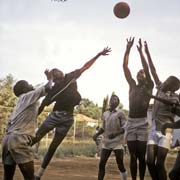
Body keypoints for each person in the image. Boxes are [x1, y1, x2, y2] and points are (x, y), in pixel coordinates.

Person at [31, 47, 111, 180]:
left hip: (68, 118)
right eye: (55, 71)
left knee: (53, 147)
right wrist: (31, 120)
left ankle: (39, 174)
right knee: (36, 138)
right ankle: (16, 151)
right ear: (54, 77)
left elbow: (85, 66)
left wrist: (98, 54)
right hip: (55, 116)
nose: (58, 70)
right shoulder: (54, 89)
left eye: (57, 69)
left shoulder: (70, 76)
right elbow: (43, 105)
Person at [2, 70, 53, 180]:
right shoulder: (28, 95)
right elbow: (48, 87)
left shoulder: (21, 102)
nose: (31, 85)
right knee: (30, 177)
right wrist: (50, 78)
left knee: (7, 177)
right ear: (24, 89)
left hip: (7, 140)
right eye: (28, 84)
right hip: (19, 139)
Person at [144, 40, 180, 180]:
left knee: (159, 163)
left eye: (166, 82)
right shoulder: (159, 88)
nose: (163, 82)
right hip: (154, 129)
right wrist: (147, 53)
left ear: (172, 87)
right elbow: (153, 71)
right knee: (149, 161)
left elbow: (168, 102)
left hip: (166, 132)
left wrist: (152, 96)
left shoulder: (175, 98)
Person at [123, 37, 154, 180]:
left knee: (141, 156)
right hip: (130, 122)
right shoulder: (132, 86)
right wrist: (127, 50)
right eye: (138, 73)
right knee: (133, 156)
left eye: (142, 73)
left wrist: (141, 52)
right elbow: (125, 67)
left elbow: (147, 68)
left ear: (146, 77)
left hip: (142, 123)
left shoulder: (149, 86)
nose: (139, 74)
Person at [93, 94, 127, 180]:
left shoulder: (120, 113)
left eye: (115, 99)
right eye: (112, 99)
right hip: (107, 142)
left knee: (120, 163)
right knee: (102, 163)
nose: (113, 100)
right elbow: (103, 128)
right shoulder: (105, 114)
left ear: (118, 102)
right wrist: (96, 134)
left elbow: (125, 127)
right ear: (109, 102)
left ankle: (124, 178)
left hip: (118, 142)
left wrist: (115, 134)